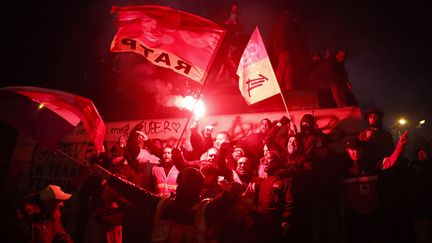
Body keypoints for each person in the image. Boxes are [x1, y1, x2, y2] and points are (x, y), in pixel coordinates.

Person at [91, 165, 244, 243]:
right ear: (177, 185)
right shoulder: (162, 204)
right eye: (184, 184)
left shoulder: (206, 209)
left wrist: (230, 193)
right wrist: (108, 175)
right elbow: (134, 192)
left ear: (199, 188)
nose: (186, 188)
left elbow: (221, 203)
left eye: (191, 185)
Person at [340, 131, 408, 243]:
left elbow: (391, 161)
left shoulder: (372, 164)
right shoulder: (342, 168)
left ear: (362, 150)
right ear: (347, 151)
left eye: (357, 149)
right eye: (352, 150)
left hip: (371, 214)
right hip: (352, 216)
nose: (355, 152)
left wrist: (400, 145)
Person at [9, 185, 74, 243]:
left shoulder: (53, 217)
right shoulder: (27, 217)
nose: (62, 204)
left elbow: (60, 235)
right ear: (48, 201)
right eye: (59, 201)